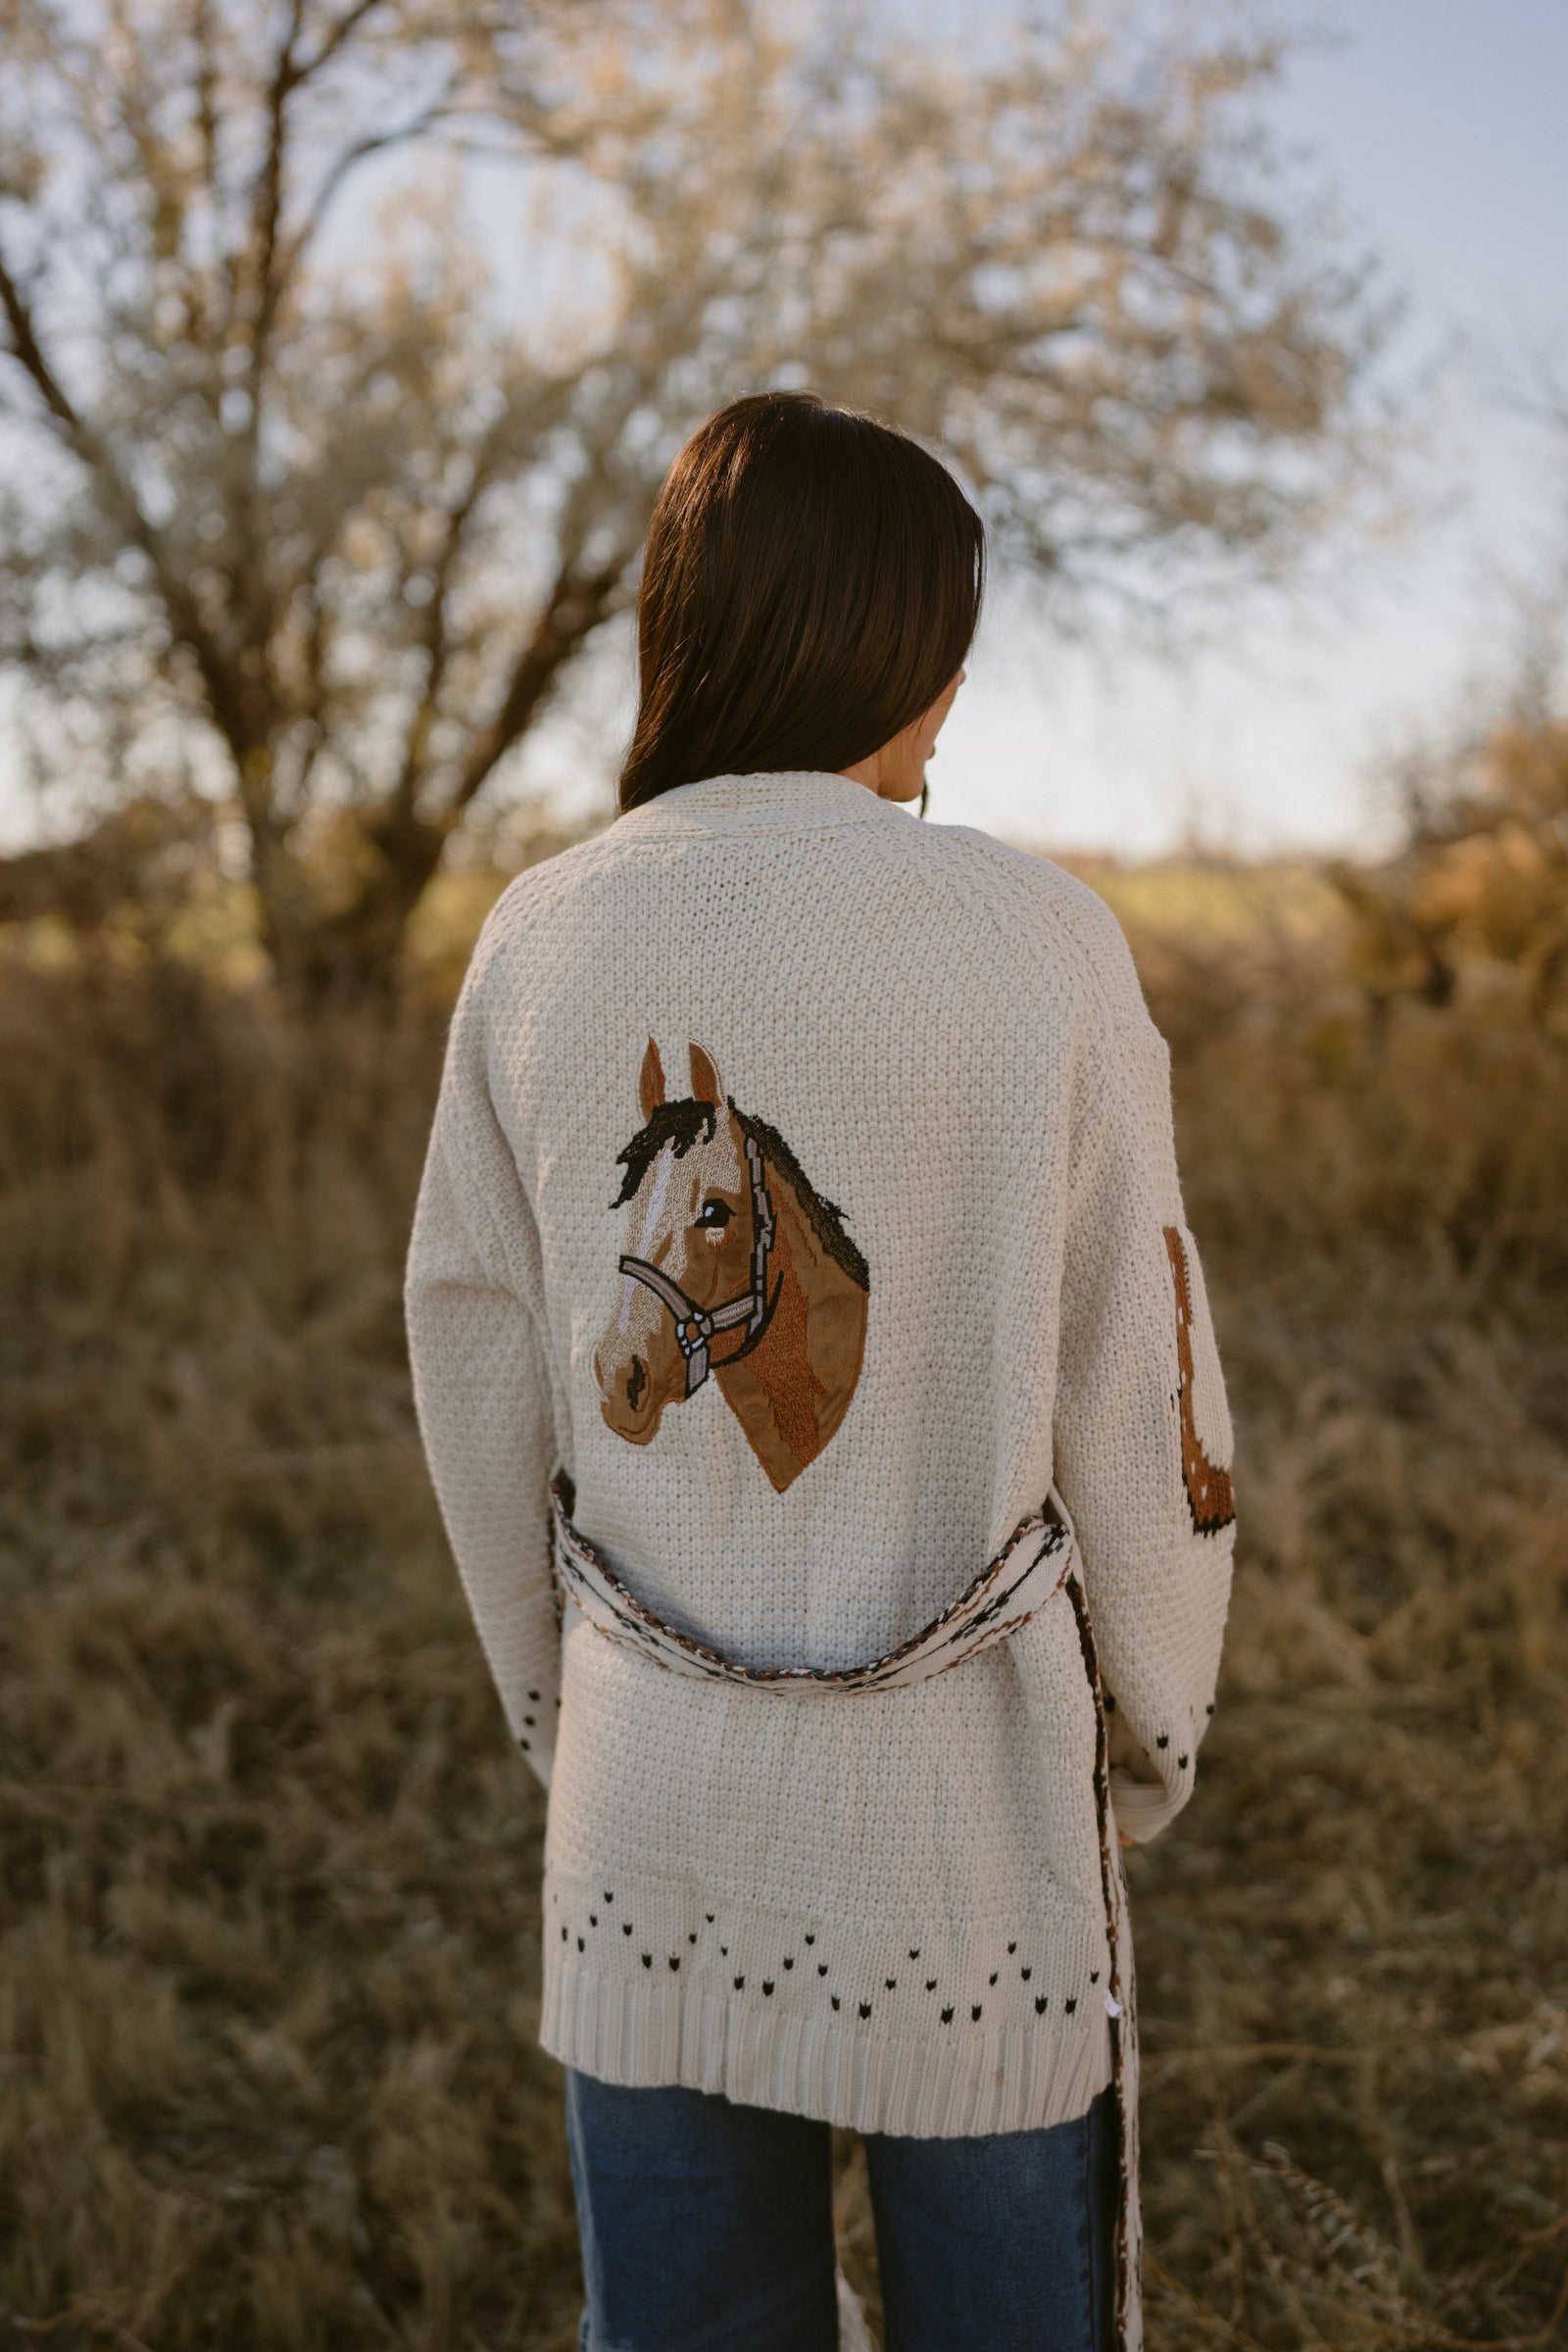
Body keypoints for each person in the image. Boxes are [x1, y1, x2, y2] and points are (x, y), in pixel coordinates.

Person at [405, 391, 1236, 2352]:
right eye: (950, 640)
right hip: (973, 1841)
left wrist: (568, 1719)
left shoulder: (539, 935)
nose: (955, 692)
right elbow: (1142, 1379)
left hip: (645, 1821)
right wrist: (1146, 1740)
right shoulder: (1039, 940)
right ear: (891, 644)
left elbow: (475, 1356)